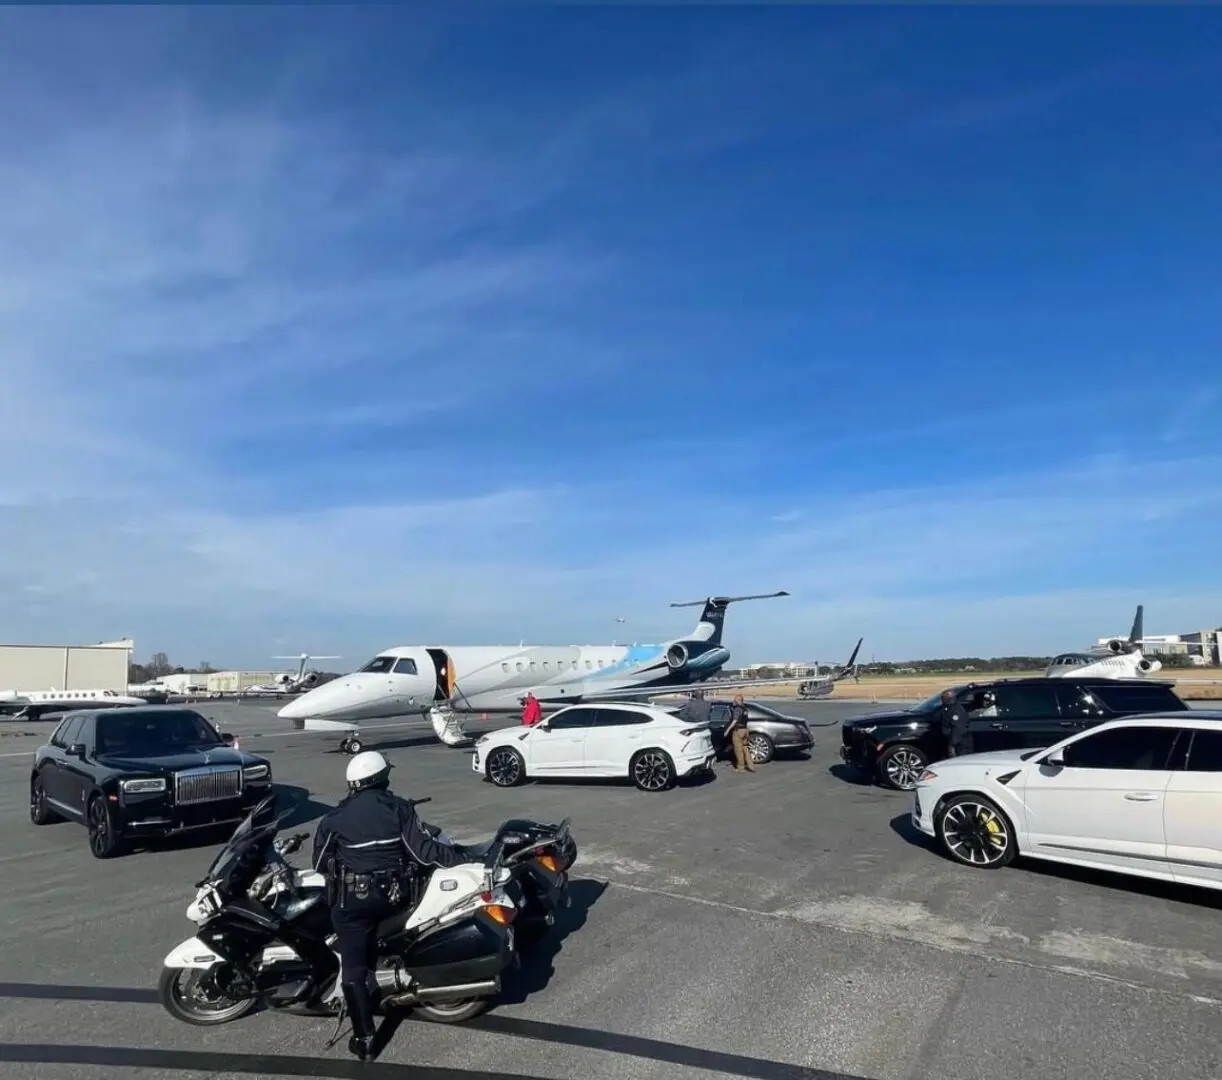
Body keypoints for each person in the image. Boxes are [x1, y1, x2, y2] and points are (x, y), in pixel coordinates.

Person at [312, 750, 463, 1062]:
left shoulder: (333, 819)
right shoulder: (399, 809)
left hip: (352, 902)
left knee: (352, 966)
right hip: (394, 898)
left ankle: (365, 1040)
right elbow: (423, 852)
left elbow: (319, 863)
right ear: (382, 778)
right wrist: (463, 857)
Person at [725, 694, 756, 773]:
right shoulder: (745, 709)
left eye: (734, 700)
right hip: (745, 730)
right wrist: (747, 732)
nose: (733, 701)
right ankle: (751, 765)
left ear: (738, 700)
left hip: (738, 731)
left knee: (738, 750)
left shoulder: (737, 709)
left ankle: (741, 767)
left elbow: (735, 720)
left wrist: (727, 730)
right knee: (745, 748)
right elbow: (746, 721)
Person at [939, 689, 972, 757]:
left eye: (943, 698)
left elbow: (957, 728)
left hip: (960, 743)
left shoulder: (956, 710)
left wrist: (953, 744)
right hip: (956, 741)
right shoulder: (948, 708)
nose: (942, 700)